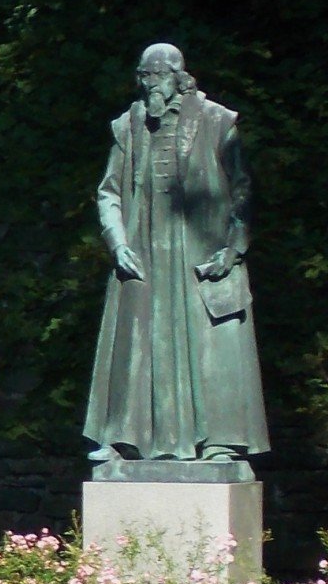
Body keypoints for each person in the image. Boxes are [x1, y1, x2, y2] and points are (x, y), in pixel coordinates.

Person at [84, 42, 270, 464]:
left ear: (179, 76)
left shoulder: (217, 121)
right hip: (143, 250)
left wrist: (233, 248)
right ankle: (124, 440)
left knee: (210, 343)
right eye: (144, 77)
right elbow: (108, 192)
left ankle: (219, 441)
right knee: (135, 344)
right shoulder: (127, 127)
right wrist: (117, 242)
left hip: (199, 254)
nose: (150, 84)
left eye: (157, 76)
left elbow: (243, 190)